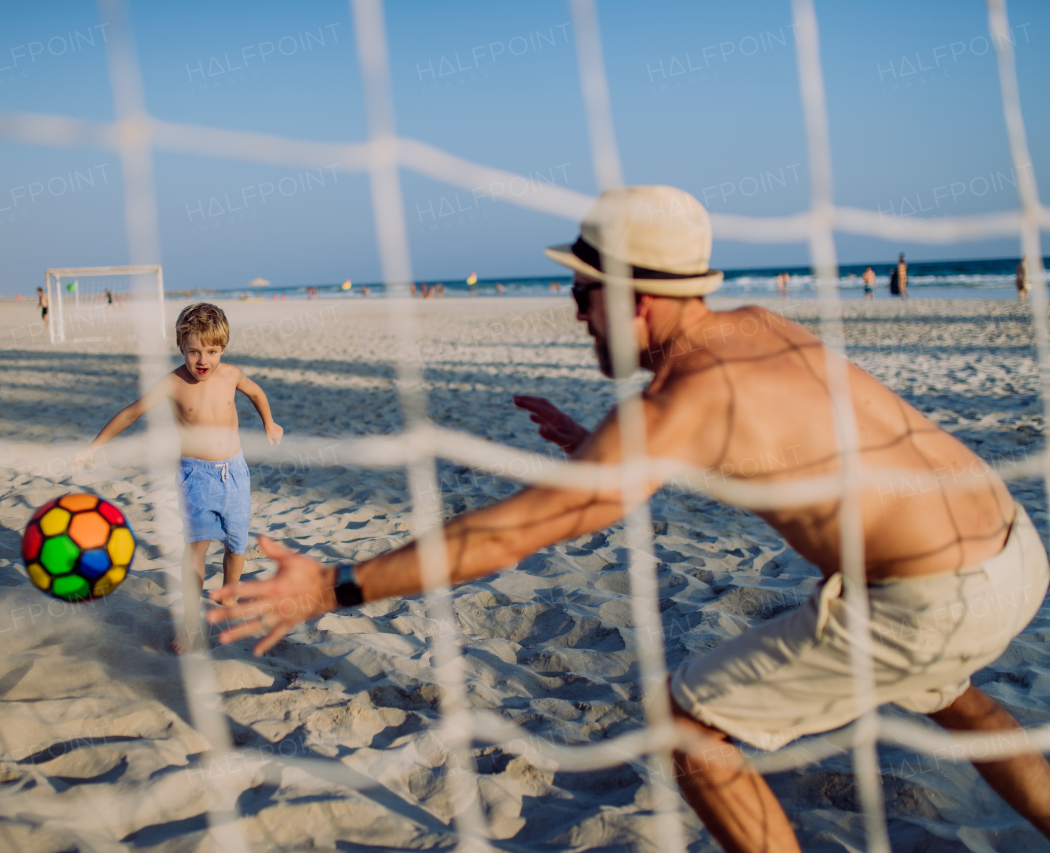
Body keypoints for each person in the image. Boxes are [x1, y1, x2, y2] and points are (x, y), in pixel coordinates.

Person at [208, 185, 1050, 852]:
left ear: (634, 298)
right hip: (1012, 551)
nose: (574, 312)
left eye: (583, 293)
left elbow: (514, 532)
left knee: (686, 724)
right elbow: (785, 451)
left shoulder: (676, 403)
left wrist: (333, 585)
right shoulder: (763, 327)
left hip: (930, 595)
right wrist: (602, 450)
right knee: (955, 697)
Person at [80, 303, 284, 651]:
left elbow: (256, 393)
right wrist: (95, 447)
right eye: (194, 351)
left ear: (223, 348)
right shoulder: (173, 383)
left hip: (234, 473)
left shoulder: (231, 374)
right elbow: (131, 414)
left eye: (212, 351)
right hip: (196, 477)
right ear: (181, 347)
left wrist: (269, 422)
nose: (203, 360)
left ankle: (230, 598)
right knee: (195, 550)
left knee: (236, 544)